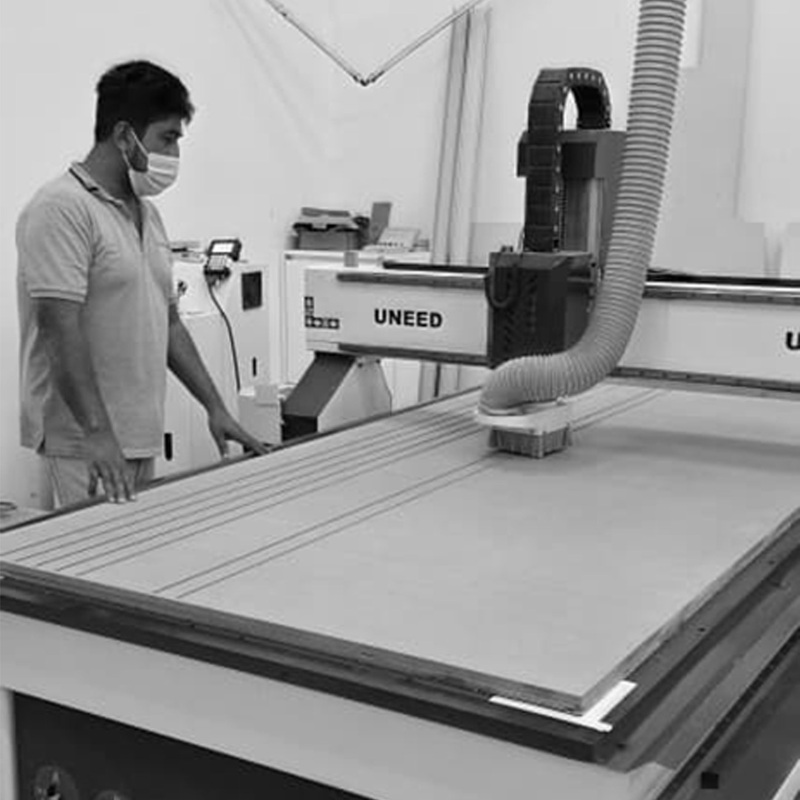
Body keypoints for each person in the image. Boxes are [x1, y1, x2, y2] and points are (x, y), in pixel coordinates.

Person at [17, 60, 267, 508]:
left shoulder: (147, 215)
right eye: (167, 138)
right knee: (96, 550)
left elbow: (168, 323)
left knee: (137, 548)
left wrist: (215, 407)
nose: (174, 155)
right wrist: (97, 434)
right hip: (85, 443)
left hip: (137, 435)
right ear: (123, 135)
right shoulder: (61, 209)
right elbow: (59, 331)